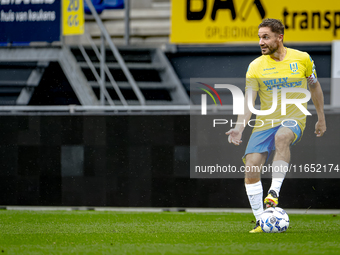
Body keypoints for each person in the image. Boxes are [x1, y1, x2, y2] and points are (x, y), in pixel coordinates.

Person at [225, 18, 327, 233]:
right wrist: (239, 127)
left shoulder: (302, 59)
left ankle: (273, 192)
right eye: (259, 38)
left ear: (279, 37)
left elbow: (315, 87)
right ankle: (261, 220)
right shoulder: (255, 66)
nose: (261, 42)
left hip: (294, 118)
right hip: (265, 122)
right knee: (251, 166)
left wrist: (321, 118)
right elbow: (248, 102)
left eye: (266, 37)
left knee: (282, 137)